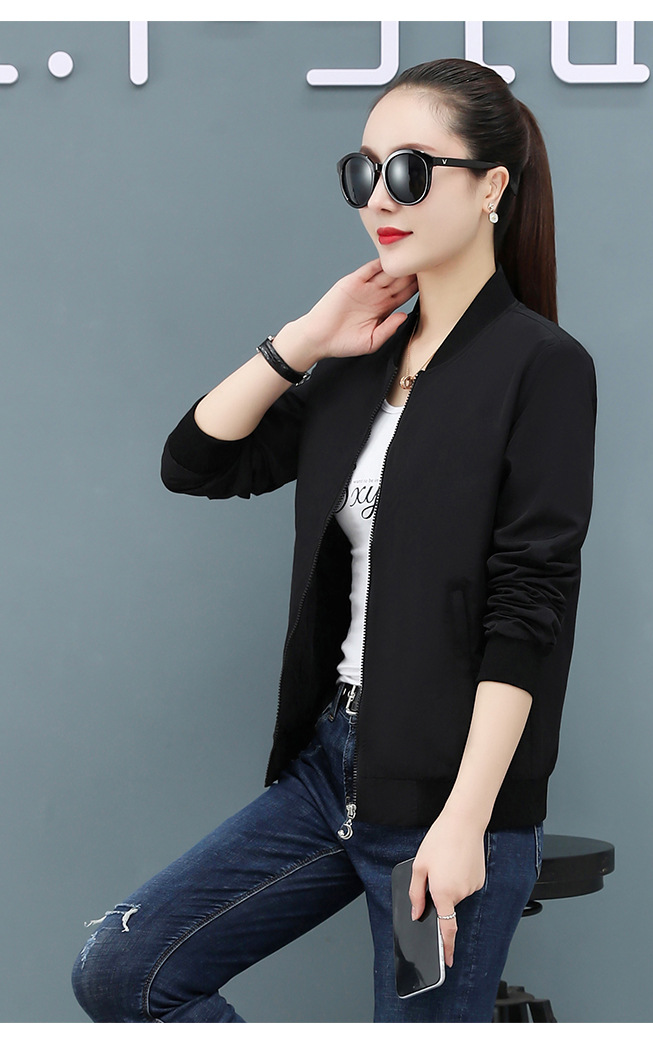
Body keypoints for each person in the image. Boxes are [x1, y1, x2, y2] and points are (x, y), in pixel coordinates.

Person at [71, 57, 597, 1023]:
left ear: (491, 187)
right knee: (123, 972)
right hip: (330, 774)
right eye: (363, 172)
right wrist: (306, 339)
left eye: (410, 171)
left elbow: (530, 607)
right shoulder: (359, 365)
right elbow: (195, 461)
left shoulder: (541, 367)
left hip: (439, 804)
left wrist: (466, 822)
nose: (379, 198)